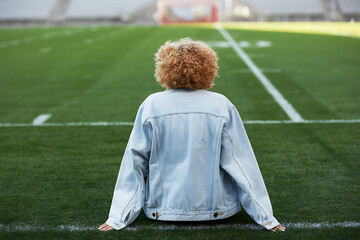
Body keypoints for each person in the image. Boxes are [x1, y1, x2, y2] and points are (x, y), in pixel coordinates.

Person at [98, 38, 285, 232]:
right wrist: (266, 217)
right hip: (216, 211)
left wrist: (118, 217)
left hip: (162, 211)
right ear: (209, 67)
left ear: (164, 66)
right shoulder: (221, 105)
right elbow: (241, 163)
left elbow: (134, 162)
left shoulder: (152, 104)